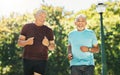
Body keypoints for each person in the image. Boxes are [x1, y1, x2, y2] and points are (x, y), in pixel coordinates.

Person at [17, 9, 55, 75]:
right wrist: (27, 42)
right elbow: (19, 43)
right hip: (27, 58)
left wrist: (48, 44)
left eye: (44, 17)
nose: (42, 18)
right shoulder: (26, 27)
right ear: (35, 16)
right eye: (40, 16)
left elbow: (53, 47)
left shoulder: (49, 30)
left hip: (41, 60)